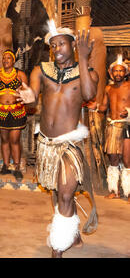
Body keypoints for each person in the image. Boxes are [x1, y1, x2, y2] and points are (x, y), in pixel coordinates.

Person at [16, 21, 99, 258]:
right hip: (46, 145)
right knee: (62, 193)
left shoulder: (89, 73)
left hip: (70, 144)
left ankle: (58, 248)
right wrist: (29, 97)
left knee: (64, 193)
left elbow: (90, 94)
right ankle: (72, 232)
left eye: (61, 43)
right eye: (53, 45)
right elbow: (32, 97)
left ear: (73, 45)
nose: (57, 49)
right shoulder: (41, 70)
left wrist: (83, 59)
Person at [0, 50, 27, 180]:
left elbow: (28, 92)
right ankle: (6, 166)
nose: (5, 60)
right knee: (4, 139)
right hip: (1, 110)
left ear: (13, 61)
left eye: (8, 58)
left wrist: (22, 92)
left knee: (14, 139)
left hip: (17, 110)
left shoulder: (20, 75)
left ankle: (17, 167)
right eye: (4, 58)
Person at [95, 55, 130, 202]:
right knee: (113, 160)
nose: (118, 74)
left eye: (121, 71)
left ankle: (128, 192)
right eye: (115, 71)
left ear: (126, 73)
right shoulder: (108, 88)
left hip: (127, 126)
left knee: (128, 160)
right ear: (111, 73)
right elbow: (103, 107)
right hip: (111, 126)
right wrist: (94, 106)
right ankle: (114, 190)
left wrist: (128, 111)